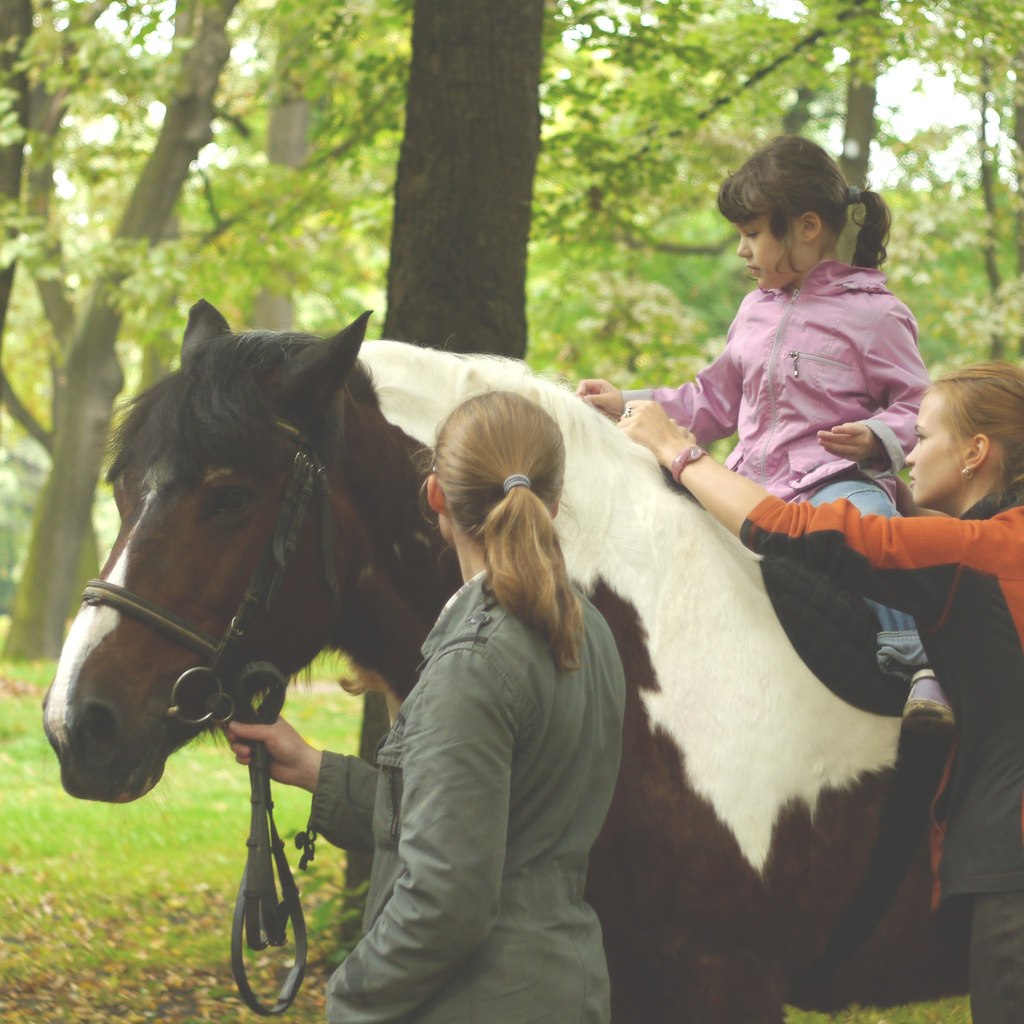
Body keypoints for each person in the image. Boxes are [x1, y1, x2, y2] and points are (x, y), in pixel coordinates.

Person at [618, 363, 1024, 1024]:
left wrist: (676, 449)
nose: (909, 454)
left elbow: (788, 527)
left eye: (922, 437)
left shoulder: (975, 553)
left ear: (976, 453)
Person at [226, 390, 627, 1024]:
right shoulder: (590, 631)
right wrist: (313, 770)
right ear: (553, 503)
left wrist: (350, 998)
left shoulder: (473, 661)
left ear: (435, 497)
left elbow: (446, 901)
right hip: (562, 988)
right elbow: (490, 815)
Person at [577, 134, 951, 731]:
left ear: (806, 227)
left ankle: (918, 667)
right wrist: (628, 400)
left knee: (875, 530)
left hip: (833, 482)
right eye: (739, 236)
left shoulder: (876, 314)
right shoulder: (754, 310)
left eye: (752, 234)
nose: (742, 251)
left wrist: (877, 435)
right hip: (749, 481)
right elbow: (712, 400)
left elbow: (920, 408)